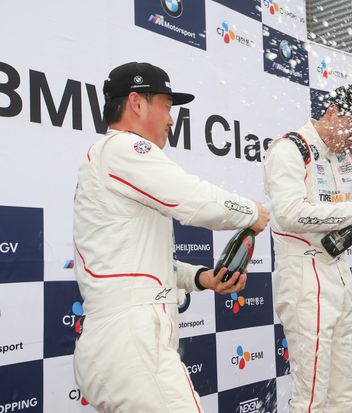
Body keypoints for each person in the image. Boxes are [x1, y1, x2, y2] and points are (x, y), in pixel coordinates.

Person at [72, 62, 270, 413]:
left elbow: (143, 266)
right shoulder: (123, 148)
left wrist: (201, 278)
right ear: (136, 103)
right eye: (166, 106)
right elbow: (193, 200)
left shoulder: (111, 159)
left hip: (122, 343)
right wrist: (252, 213)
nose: (172, 119)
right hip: (131, 344)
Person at [264, 84, 352, 412]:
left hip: (338, 273)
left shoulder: (346, 152)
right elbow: (288, 213)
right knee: (311, 394)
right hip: (303, 272)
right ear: (332, 112)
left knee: (345, 389)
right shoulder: (290, 149)